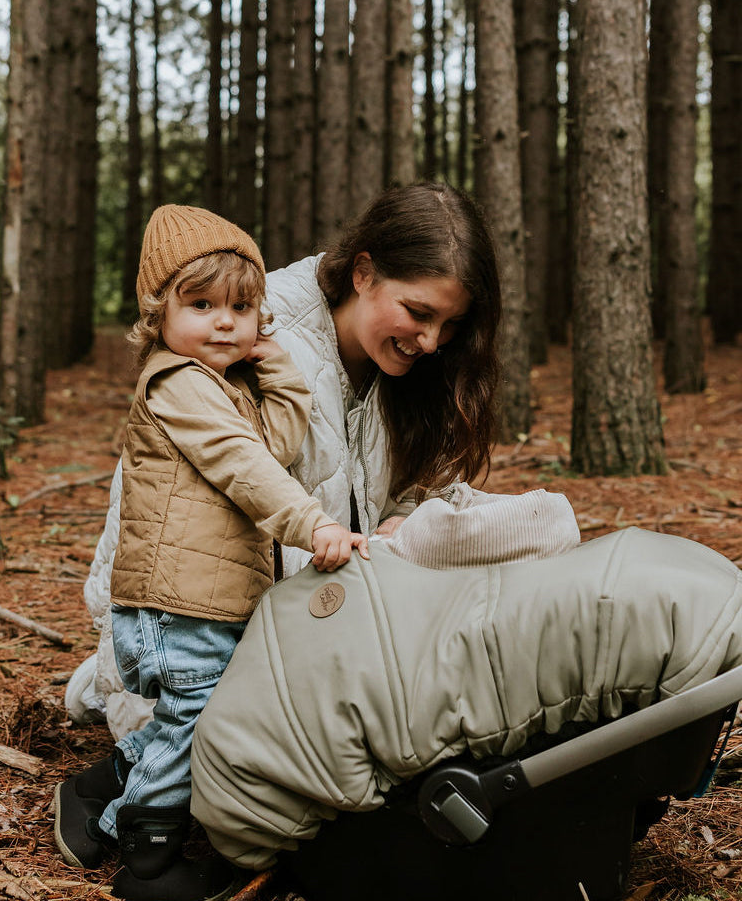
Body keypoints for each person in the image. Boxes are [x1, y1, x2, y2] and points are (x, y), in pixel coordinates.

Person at [59, 182, 502, 890]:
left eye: (448, 326)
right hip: (191, 629)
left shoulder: (399, 367)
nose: (431, 342)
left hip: (293, 624)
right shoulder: (243, 338)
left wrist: (412, 525)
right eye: (419, 314)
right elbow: (192, 508)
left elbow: (411, 492)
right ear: (363, 273)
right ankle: (122, 798)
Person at [53, 204, 368, 901]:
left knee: (204, 717)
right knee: (198, 725)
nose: (225, 321)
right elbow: (246, 468)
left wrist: (279, 369)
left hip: (208, 599)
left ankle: (99, 804)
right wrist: (312, 523)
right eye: (201, 304)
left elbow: (276, 444)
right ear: (157, 313)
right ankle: (148, 854)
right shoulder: (178, 384)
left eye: (242, 306)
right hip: (173, 602)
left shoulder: (229, 386)